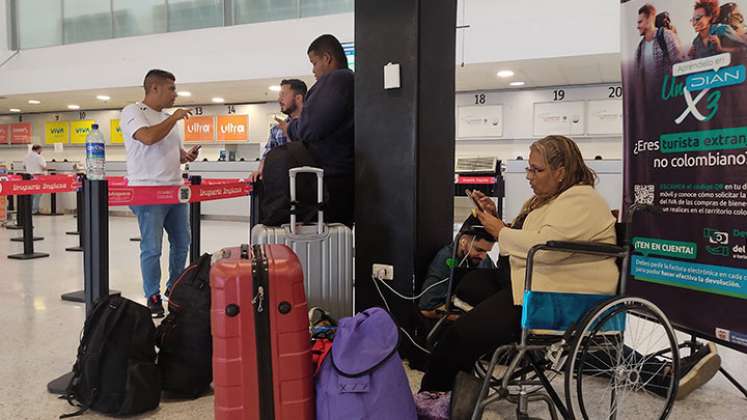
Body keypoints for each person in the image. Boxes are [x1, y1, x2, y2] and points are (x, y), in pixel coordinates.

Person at [419, 135, 720, 400]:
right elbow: (538, 239)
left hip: (552, 295)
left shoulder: (582, 200)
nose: (529, 176)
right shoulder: (552, 200)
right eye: (529, 168)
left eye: (536, 169)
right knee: (468, 286)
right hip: (534, 282)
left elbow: (546, 249)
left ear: (561, 172)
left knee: (459, 335)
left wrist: (500, 230)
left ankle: (433, 393)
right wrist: (497, 219)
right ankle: (481, 353)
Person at [120, 69, 200, 318]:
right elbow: (148, 137)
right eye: (171, 89)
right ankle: (152, 295)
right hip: (147, 191)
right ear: (154, 88)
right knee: (152, 247)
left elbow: (174, 153)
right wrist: (174, 118)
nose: (175, 94)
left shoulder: (167, 118)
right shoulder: (133, 111)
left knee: (181, 242)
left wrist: (186, 155)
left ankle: (174, 289)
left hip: (175, 190)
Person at [276, 34, 354, 226]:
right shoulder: (349, 82)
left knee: (325, 239)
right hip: (341, 177)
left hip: (331, 180)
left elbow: (311, 127)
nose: (313, 70)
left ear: (327, 58)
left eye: (315, 62)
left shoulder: (338, 79)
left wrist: (291, 128)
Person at [419, 216, 497, 320]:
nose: (483, 257)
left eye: (486, 252)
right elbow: (426, 310)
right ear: (463, 242)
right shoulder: (445, 260)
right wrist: (468, 318)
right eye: (479, 250)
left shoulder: (484, 260)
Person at [250, 79, 307, 182]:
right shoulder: (276, 130)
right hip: (283, 184)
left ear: (298, 98)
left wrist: (289, 133)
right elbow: (267, 154)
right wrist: (260, 170)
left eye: (283, 95)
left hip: (309, 182)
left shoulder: (313, 125)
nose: (279, 99)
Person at [635, 4, 683, 88]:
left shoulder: (666, 36)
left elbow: (679, 65)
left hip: (667, 92)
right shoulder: (640, 48)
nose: (637, 27)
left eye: (640, 22)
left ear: (650, 19)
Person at [23, 144, 47, 214]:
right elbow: (44, 167)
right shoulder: (39, 157)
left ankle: (29, 210)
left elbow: (24, 166)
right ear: (38, 149)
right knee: (37, 194)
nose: (41, 151)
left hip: (28, 177)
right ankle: (35, 210)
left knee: (30, 194)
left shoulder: (26, 156)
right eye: (41, 149)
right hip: (37, 176)